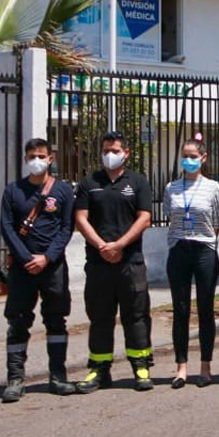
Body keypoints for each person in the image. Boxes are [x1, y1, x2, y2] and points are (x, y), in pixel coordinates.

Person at [74, 131, 154, 393]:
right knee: (99, 317)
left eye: (115, 150)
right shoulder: (89, 182)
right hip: (98, 263)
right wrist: (102, 246)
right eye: (106, 150)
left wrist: (119, 245)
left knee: (137, 316)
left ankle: (141, 367)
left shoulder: (138, 182)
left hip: (130, 261)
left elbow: (144, 218)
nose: (110, 154)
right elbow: (81, 218)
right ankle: (99, 369)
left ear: (126, 153)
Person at [0, 138, 77, 402]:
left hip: (52, 266)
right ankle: (15, 379)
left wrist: (47, 257)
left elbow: (66, 228)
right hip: (22, 268)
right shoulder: (13, 191)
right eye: (32, 156)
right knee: (18, 320)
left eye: (41, 156)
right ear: (25, 159)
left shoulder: (63, 190)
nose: (37, 161)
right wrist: (25, 258)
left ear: (50, 159)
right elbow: (7, 227)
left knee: (56, 319)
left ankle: (58, 376)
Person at [163, 138, 219, 389]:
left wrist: (206, 239)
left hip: (204, 250)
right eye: (184, 156)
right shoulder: (171, 188)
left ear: (203, 157)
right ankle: (181, 367)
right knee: (180, 309)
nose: (188, 160)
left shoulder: (213, 187)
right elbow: (170, 213)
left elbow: (218, 220)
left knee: (205, 308)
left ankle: (206, 367)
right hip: (179, 249)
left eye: (193, 156)